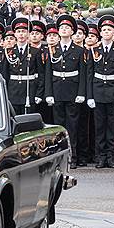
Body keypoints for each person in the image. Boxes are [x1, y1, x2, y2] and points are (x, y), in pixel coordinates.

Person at [44, 14, 86, 167]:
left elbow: (83, 74)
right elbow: (48, 73)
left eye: (67, 28)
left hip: (72, 91)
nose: (64, 30)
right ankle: (59, 157)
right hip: (57, 90)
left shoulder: (79, 50)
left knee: (72, 126)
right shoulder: (52, 50)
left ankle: (72, 156)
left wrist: (81, 93)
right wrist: (48, 93)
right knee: (58, 127)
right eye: (61, 28)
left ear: (72, 31)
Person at [86, 15, 114, 169]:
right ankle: (101, 157)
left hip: (113, 92)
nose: (107, 32)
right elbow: (89, 74)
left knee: (112, 127)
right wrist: (90, 95)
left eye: (110, 30)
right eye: (104, 30)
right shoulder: (93, 50)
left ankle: (111, 156)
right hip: (98, 92)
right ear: (100, 33)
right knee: (99, 127)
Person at [5, 17, 44, 115]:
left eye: (24, 31)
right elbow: (5, 74)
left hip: (29, 90)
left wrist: (39, 94)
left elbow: (41, 74)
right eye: (18, 31)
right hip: (13, 91)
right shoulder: (8, 51)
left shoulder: (35, 51)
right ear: (14, 34)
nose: (21, 34)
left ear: (28, 34)